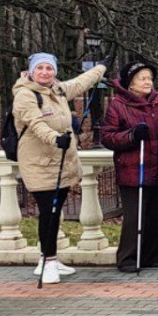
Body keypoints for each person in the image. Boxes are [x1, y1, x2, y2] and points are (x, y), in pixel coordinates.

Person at [13, 53, 106, 284]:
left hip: (62, 162)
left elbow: (80, 83)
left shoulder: (58, 90)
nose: (45, 72)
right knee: (49, 213)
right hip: (40, 164)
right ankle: (48, 263)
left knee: (55, 213)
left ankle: (48, 258)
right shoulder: (26, 94)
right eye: (40, 68)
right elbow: (36, 124)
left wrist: (100, 69)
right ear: (31, 71)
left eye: (49, 68)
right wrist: (55, 139)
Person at [102, 59, 158, 273]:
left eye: (149, 78)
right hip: (134, 169)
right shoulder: (118, 105)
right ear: (130, 83)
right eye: (142, 78)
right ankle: (128, 258)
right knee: (135, 216)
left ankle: (153, 255)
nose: (148, 82)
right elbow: (108, 137)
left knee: (157, 214)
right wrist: (132, 135)